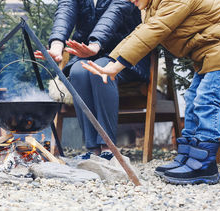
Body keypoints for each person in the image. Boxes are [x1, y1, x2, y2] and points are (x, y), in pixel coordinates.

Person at [82, 0, 220, 185]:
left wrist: (118, 66)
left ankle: (205, 164)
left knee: (206, 99)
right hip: (210, 51)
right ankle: (188, 156)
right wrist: (111, 61)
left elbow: (154, 31)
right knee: (192, 98)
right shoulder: (151, 7)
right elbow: (140, 33)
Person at [35, 0, 150, 160]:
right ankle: (92, 149)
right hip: (85, 53)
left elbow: (115, 13)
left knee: (98, 71)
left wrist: (95, 43)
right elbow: (66, 10)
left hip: (124, 55)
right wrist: (56, 44)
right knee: (77, 72)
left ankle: (108, 148)